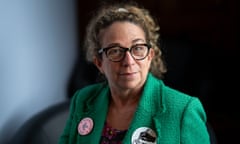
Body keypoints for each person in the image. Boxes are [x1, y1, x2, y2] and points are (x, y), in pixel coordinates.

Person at [59, 1, 210, 144]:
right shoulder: (83, 100)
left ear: (150, 56)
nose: (128, 61)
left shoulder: (184, 110)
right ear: (99, 63)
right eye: (116, 51)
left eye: (137, 48)